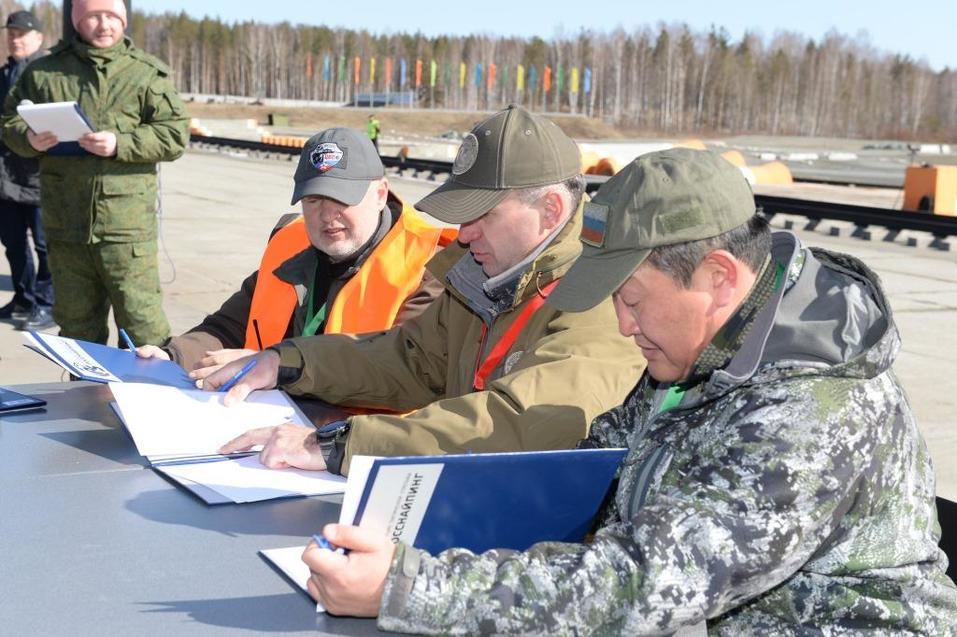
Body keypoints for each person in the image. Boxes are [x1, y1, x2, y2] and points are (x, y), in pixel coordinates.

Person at [297, 149, 957, 634]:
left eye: (634, 299)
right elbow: (594, 466)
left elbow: (643, 581)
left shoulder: (806, 414)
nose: (622, 324)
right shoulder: (711, 344)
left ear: (717, 277)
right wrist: (429, 516)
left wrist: (411, 586)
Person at [210, 104, 644, 476]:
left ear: (550, 211)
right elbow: (409, 360)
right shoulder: (489, 273)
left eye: (482, 215)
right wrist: (288, 361)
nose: (464, 233)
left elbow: (521, 423)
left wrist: (333, 445)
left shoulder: (604, 293)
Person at [137, 127, 453, 379]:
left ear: (380, 194)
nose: (327, 216)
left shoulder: (428, 267)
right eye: (314, 201)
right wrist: (171, 356)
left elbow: (398, 371)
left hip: (356, 438)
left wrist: (279, 365)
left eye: (342, 199)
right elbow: (229, 327)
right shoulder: (290, 245)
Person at [0, 0, 189, 346]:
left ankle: (143, 397)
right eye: (93, 17)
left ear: (124, 19)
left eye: (112, 16)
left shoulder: (146, 73)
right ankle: (85, 398)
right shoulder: (44, 73)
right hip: (66, 228)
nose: (104, 25)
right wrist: (28, 138)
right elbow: (9, 122)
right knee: (78, 332)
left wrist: (121, 143)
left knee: (142, 327)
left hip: (126, 231)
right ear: (77, 21)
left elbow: (175, 135)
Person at [0, 10, 53, 330]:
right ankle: (23, 297)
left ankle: (47, 303)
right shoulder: (4, 74)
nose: (15, 38)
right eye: (11, 33)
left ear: (38, 38)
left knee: (46, 246)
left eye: (21, 33)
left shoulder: (46, 75)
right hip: (5, 178)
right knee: (13, 243)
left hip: (38, 176)